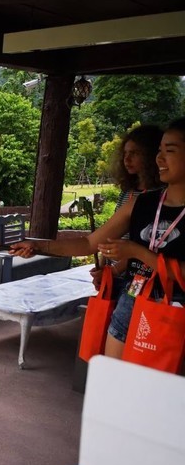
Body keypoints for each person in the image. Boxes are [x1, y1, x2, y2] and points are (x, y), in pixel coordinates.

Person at [12, 117, 185, 360]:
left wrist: (136, 252)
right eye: (159, 151)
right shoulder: (141, 203)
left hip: (176, 309)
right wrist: (38, 244)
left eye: (170, 151)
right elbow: (88, 243)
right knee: (114, 382)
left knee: (159, 390)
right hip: (133, 297)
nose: (160, 158)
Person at [92, 124, 164, 294]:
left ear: (151, 156)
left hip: (139, 276)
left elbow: (144, 245)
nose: (127, 159)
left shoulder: (159, 197)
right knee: (108, 314)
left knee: (129, 312)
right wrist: (103, 266)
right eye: (125, 153)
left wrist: (114, 270)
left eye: (134, 153)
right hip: (112, 272)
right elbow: (112, 234)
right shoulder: (128, 192)